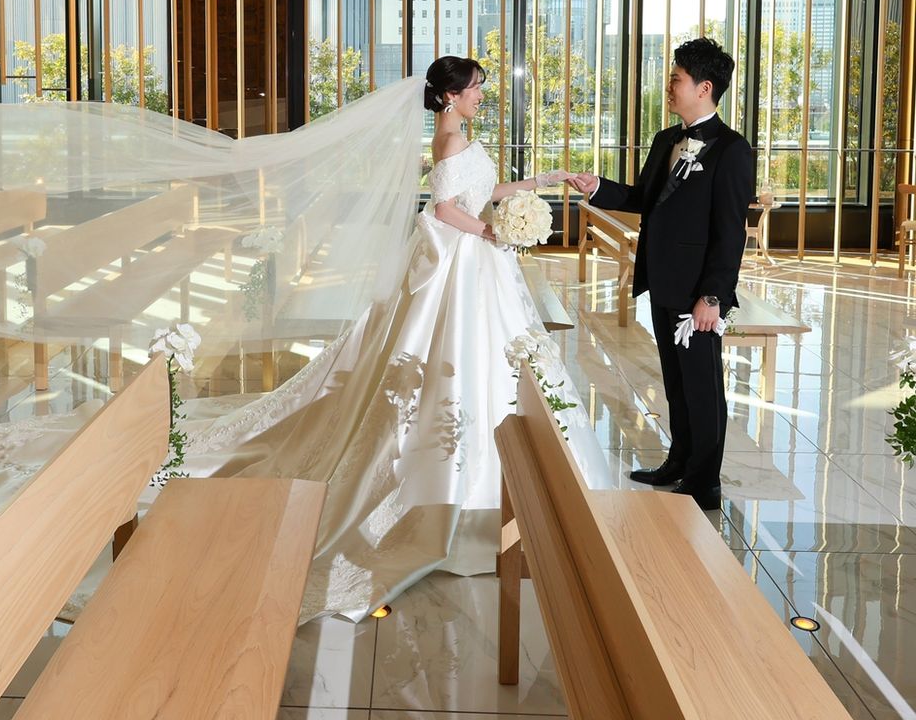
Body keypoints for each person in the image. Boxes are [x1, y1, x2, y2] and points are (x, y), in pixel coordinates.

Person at [183, 55, 604, 619]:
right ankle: (461, 497)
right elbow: (445, 208)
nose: (481, 94)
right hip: (462, 264)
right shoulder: (448, 140)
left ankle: (500, 485)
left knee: (490, 357)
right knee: (458, 356)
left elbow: (484, 188)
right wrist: (491, 230)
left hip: (480, 261)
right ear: (450, 95)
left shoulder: (459, 135)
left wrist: (542, 183)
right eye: (475, 87)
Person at [568, 37, 752, 510]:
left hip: (699, 295)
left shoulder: (732, 150)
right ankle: (679, 460)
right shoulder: (666, 140)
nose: (669, 87)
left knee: (703, 387)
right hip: (664, 281)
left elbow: (730, 233)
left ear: (704, 88)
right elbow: (644, 198)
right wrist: (598, 187)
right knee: (676, 382)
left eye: (676, 80)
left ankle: (704, 483)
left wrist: (713, 297)